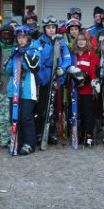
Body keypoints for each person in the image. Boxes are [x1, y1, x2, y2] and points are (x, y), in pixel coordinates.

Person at [5, 26, 40, 155]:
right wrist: (13, 56)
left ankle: (29, 143)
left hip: (28, 90)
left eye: (23, 37)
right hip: (14, 89)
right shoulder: (15, 50)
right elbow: (7, 70)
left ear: (28, 38)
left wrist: (23, 54)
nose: (21, 40)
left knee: (26, 117)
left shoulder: (35, 50)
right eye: (19, 38)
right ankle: (16, 140)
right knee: (14, 117)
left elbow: (33, 66)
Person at [35, 16, 71, 145]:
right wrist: (50, 44)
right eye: (48, 28)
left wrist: (63, 68)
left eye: (53, 28)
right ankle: (39, 132)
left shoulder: (62, 42)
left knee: (55, 108)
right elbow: (41, 58)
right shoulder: (39, 42)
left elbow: (67, 58)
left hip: (57, 76)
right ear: (44, 29)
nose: (51, 30)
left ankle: (51, 132)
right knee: (42, 107)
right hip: (44, 76)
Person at [69, 30, 100, 147]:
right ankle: (79, 133)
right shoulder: (73, 54)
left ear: (87, 41)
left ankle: (89, 134)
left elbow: (94, 69)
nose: (81, 42)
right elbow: (68, 67)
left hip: (87, 89)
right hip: (75, 89)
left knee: (87, 112)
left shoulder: (91, 54)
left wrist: (93, 80)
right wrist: (71, 70)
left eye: (83, 40)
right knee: (77, 112)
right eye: (79, 40)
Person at [0, 25, 14, 147]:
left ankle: (13, 136)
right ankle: (4, 136)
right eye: (4, 35)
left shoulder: (16, 49)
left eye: (9, 35)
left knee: (12, 113)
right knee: (3, 113)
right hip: (1, 85)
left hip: (13, 85)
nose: (6, 37)